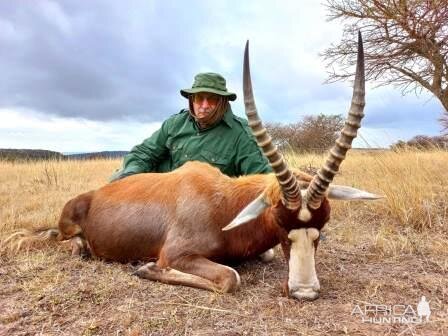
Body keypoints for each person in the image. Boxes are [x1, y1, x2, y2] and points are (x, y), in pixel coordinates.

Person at [110, 72, 272, 181]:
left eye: (212, 99)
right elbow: (145, 153)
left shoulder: (241, 134)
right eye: (199, 98)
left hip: (206, 211)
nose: (204, 105)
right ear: (191, 99)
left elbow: (262, 179)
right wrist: (131, 176)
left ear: (223, 102)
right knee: (117, 180)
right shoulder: (175, 124)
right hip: (163, 199)